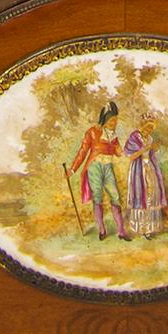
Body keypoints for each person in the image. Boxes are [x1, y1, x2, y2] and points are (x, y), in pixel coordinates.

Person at [69, 102, 131, 240]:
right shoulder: (92, 132)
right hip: (94, 167)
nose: (114, 123)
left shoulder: (113, 136)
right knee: (97, 197)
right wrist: (73, 170)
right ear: (105, 119)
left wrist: (129, 152)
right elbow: (83, 151)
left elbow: (119, 151)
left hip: (108, 167)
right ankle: (102, 229)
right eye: (112, 120)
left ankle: (121, 231)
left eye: (115, 120)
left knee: (115, 196)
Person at [123, 121, 168, 236]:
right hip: (138, 170)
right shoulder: (134, 137)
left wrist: (154, 148)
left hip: (150, 168)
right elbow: (131, 156)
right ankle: (141, 227)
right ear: (142, 126)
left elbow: (151, 153)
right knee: (141, 195)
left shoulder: (149, 138)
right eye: (147, 127)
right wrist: (146, 148)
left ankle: (149, 228)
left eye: (151, 129)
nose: (148, 131)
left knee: (152, 194)